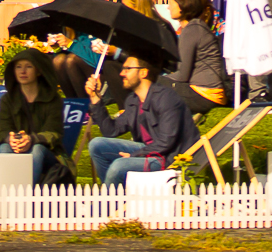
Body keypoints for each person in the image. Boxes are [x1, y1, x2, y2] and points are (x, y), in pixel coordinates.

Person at [83, 53, 199, 186]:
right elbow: (111, 131)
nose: (122, 73)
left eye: (128, 69)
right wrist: (95, 98)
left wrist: (135, 155)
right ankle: (114, 192)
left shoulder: (166, 98)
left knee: (119, 166)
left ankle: (110, 198)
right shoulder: (133, 101)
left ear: (143, 73)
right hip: (150, 151)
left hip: (170, 157)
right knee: (96, 145)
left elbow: (166, 142)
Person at [0, 49, 66, 184]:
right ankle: (4, 193)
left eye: (29, 67)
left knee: (36, 150)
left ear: (38, 71)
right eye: (18, 67)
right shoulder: (7, 100)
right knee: (4, 148)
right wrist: (10, 139)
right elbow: (2, 130)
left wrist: (31, 139)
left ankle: (27, 194)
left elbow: (54, 133)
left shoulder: (53, 99)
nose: (23, 71)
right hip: (17, 147)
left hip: (49, 153)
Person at [164, 0, 229, 110]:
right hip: (206, 90)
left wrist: (159, 78)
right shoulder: (194, 27)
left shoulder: (192, 30)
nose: (168, 7)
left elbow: (182, 75)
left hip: (205, 93)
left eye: (171, 4)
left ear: (182, 6)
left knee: (150, 84)